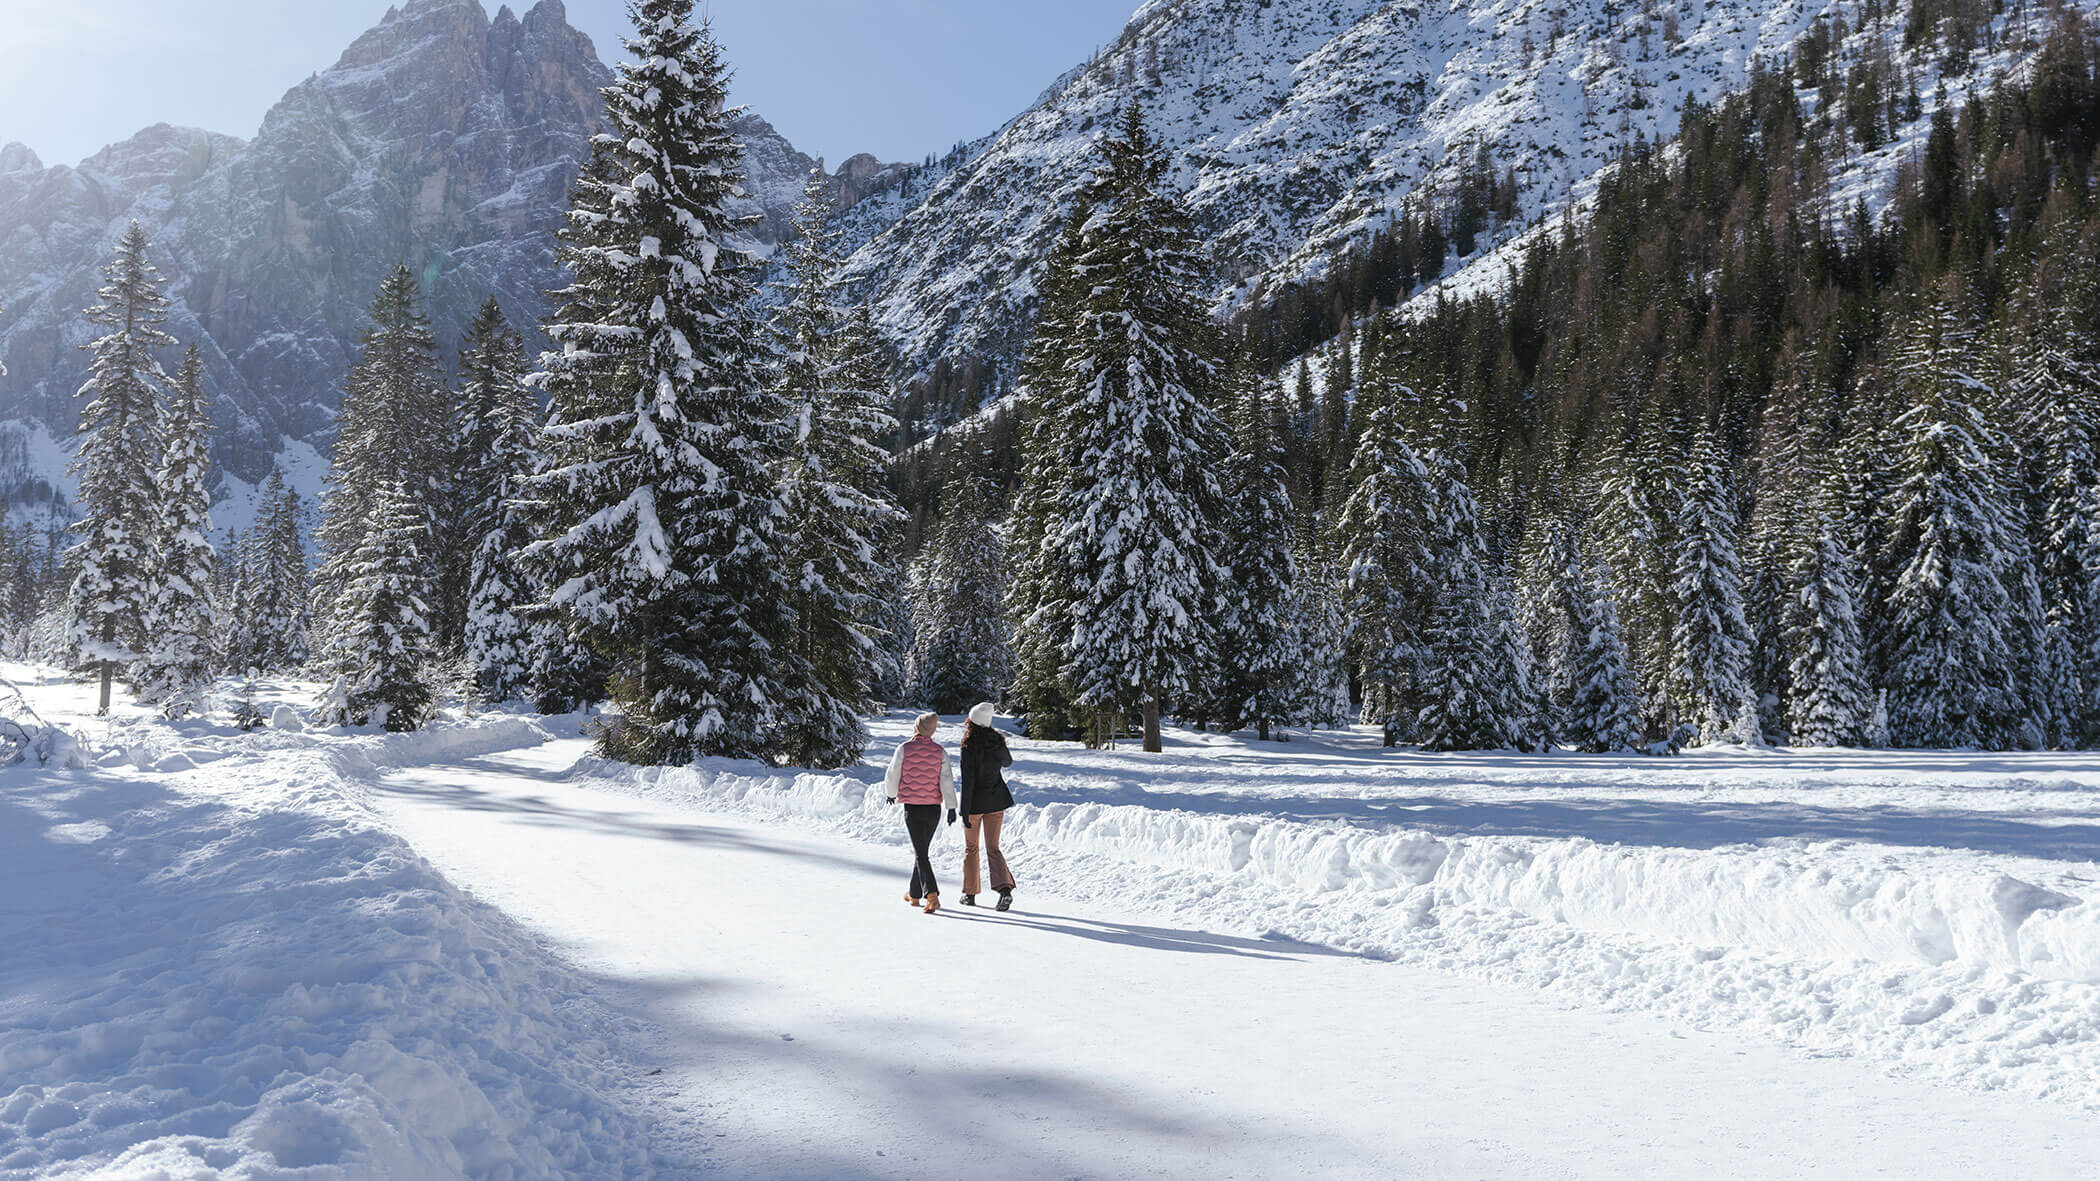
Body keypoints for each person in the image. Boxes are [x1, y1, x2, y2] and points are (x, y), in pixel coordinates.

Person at [884, 712, 957, 914]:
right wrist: (951, 806)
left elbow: (893, 773)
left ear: (916, 727)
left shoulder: (904, 748)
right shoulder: (940, 752)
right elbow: (947, 780)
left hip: (914, 808)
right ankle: (914, 894)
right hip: (933, 809)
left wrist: (890, 793)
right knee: (922, 850)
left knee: (921, 853)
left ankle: (932, 896)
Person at [958, 701, 1018, 911]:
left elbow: (968, 782)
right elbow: (1008, 762)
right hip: (995, 802)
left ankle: (970, 894)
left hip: (975, 805)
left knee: (972, 848)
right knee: (993, 848)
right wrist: (999, 743)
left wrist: (963, 811)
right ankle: (1004, 891)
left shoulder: (968, 746)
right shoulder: (997, 742)